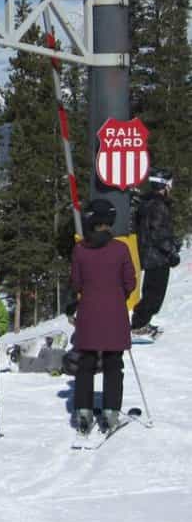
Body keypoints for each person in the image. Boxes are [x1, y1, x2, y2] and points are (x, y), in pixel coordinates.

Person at [70, 197, 136, 435]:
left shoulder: (80, 249)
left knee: (85, 364)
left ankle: (84, 411)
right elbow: (130, 282)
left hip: (88, 313)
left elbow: (76, 283)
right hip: (115, 314)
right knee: (113, 364)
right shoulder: (120, 248)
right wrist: (118, 295)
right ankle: (110, 411)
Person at [131, 169, 181, 337]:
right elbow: (158, 233)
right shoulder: (157, 205)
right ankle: (138, 326)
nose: (171, 188)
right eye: (170, 184)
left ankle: (141, 322)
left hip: (151, 255)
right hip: (157, 257)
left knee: (152, 292)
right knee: (154, 294)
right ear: (164, 185)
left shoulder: (149, 202)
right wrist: (171, 251)